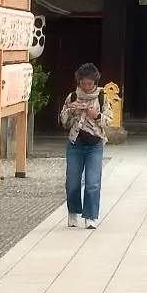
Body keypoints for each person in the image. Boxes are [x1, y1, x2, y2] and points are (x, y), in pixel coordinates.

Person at [60, 64, 110, 229]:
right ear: (79, 82)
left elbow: (109, 121)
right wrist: (71, 111)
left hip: (95, 143)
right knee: (73, 181)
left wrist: (96, 116)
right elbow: (64, 122)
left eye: (90, 84)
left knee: (93, 181)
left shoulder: (102, 96)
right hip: (76, 142)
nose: (87, 87)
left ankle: (90, 216)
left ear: (95, 82)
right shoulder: (73, 96)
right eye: (83, 84)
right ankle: (73, 212)